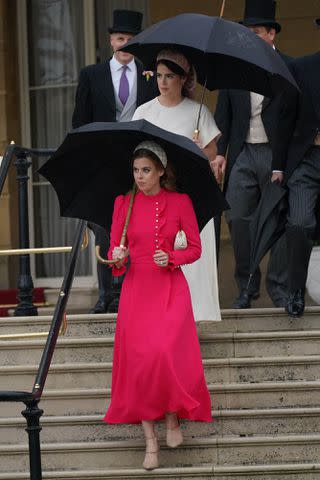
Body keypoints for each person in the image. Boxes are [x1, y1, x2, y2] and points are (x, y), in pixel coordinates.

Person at [103, 141, 212, 470]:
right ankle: (150, 441)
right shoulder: (122, 203)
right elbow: (114, 253)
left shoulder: (180, 202)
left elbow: (194, 248)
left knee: (163, 354)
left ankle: (173, 418)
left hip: (169, 288)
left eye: (146, 170)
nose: (139, 176)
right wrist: (116, 258)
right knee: (139, 364)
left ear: (161, 171)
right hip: (136, 290)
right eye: (135, 170)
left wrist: (172, 258)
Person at [72, 9, 157, 313]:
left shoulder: (149, 75)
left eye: (130, 40)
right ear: (111, 41)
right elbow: (79, 123)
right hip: (100, 162)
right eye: (120, 38)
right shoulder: (91, 75)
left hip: (137, 161)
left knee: (134, 225)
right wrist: (81, 161)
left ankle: (127, 293)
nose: (124, 45)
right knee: (103, 227)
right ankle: (106, 294)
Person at [214, 0, 297, 309]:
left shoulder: (291, 68)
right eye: (246, 31)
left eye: (256, 31)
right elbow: (223, 115)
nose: (249, 36)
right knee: (236, 217)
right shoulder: (234, 70)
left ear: (271, 34)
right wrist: (221, 152)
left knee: (282, 220)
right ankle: (247, 286)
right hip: (243, 153)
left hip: (278, 155)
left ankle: (278, 287)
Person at [132, 49, 222, 321]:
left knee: (188, 255)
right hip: (154, 198)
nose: (163, 82)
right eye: (159, 75)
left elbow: (212, 152)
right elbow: (135, 151)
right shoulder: (143, 112)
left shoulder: (198, 112)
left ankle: (193, 316)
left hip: (187, 197)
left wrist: (196, 150)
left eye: (169, 76)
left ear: (182, 79)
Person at [284, 18, 320, 317]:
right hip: (307, 159)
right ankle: (295, 289)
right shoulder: (302, 67)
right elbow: (285, 119)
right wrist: (278, 165)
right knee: (299, 223)